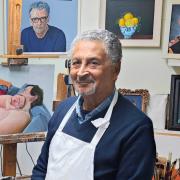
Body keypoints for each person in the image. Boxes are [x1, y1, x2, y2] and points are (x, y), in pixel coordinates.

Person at [32, 29, 156, 179]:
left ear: (116, 70)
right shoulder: (63, 110)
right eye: (76, 63)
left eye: (93, 63)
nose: (81, 72)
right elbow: (41, 169)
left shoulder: (136, 128)